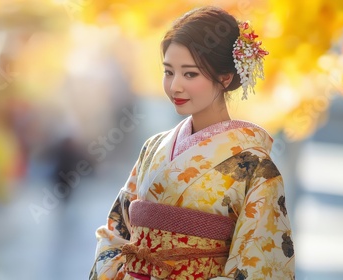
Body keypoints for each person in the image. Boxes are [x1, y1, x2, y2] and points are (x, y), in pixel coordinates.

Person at [90, 6, 295, 280]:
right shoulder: (153, 148)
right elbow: (116, 230)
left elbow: (261, 265)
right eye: (168, 72)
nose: (175, 86)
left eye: (190, 74)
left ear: (225, 77)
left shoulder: (256, 168)